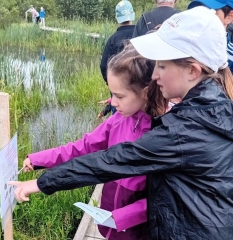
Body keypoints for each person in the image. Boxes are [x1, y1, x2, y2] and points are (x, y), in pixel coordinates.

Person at [9, 7, 233, 239]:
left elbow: (113, 160)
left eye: (162, 66)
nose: (155, 75)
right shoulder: (209, 111)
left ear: (193, 71)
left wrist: (44, 183)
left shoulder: (184, 130)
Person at [19, 45, 167, 240]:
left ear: (146, 92)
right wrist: (39, 159)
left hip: (139, 230)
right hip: (110, 222)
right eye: (111, 94)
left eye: (120, 96)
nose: (112, 102)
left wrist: (122, 217)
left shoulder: (162, 134)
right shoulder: (118, 120)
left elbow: (163, 197)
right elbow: (84, 146)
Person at [99, 0, 136, 116]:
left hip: (118, 86)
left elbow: (103, 65)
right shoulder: (140, 34)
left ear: (117, 17)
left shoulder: (112, 39)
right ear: (132, 15)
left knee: (117, 118)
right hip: (138, 86)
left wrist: (110, 82)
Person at [188, 0, 233, 73]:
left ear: (229, 17)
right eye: (200, 10)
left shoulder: (230, 58)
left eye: (212, 12)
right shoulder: (185, 43)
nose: (202, 17)